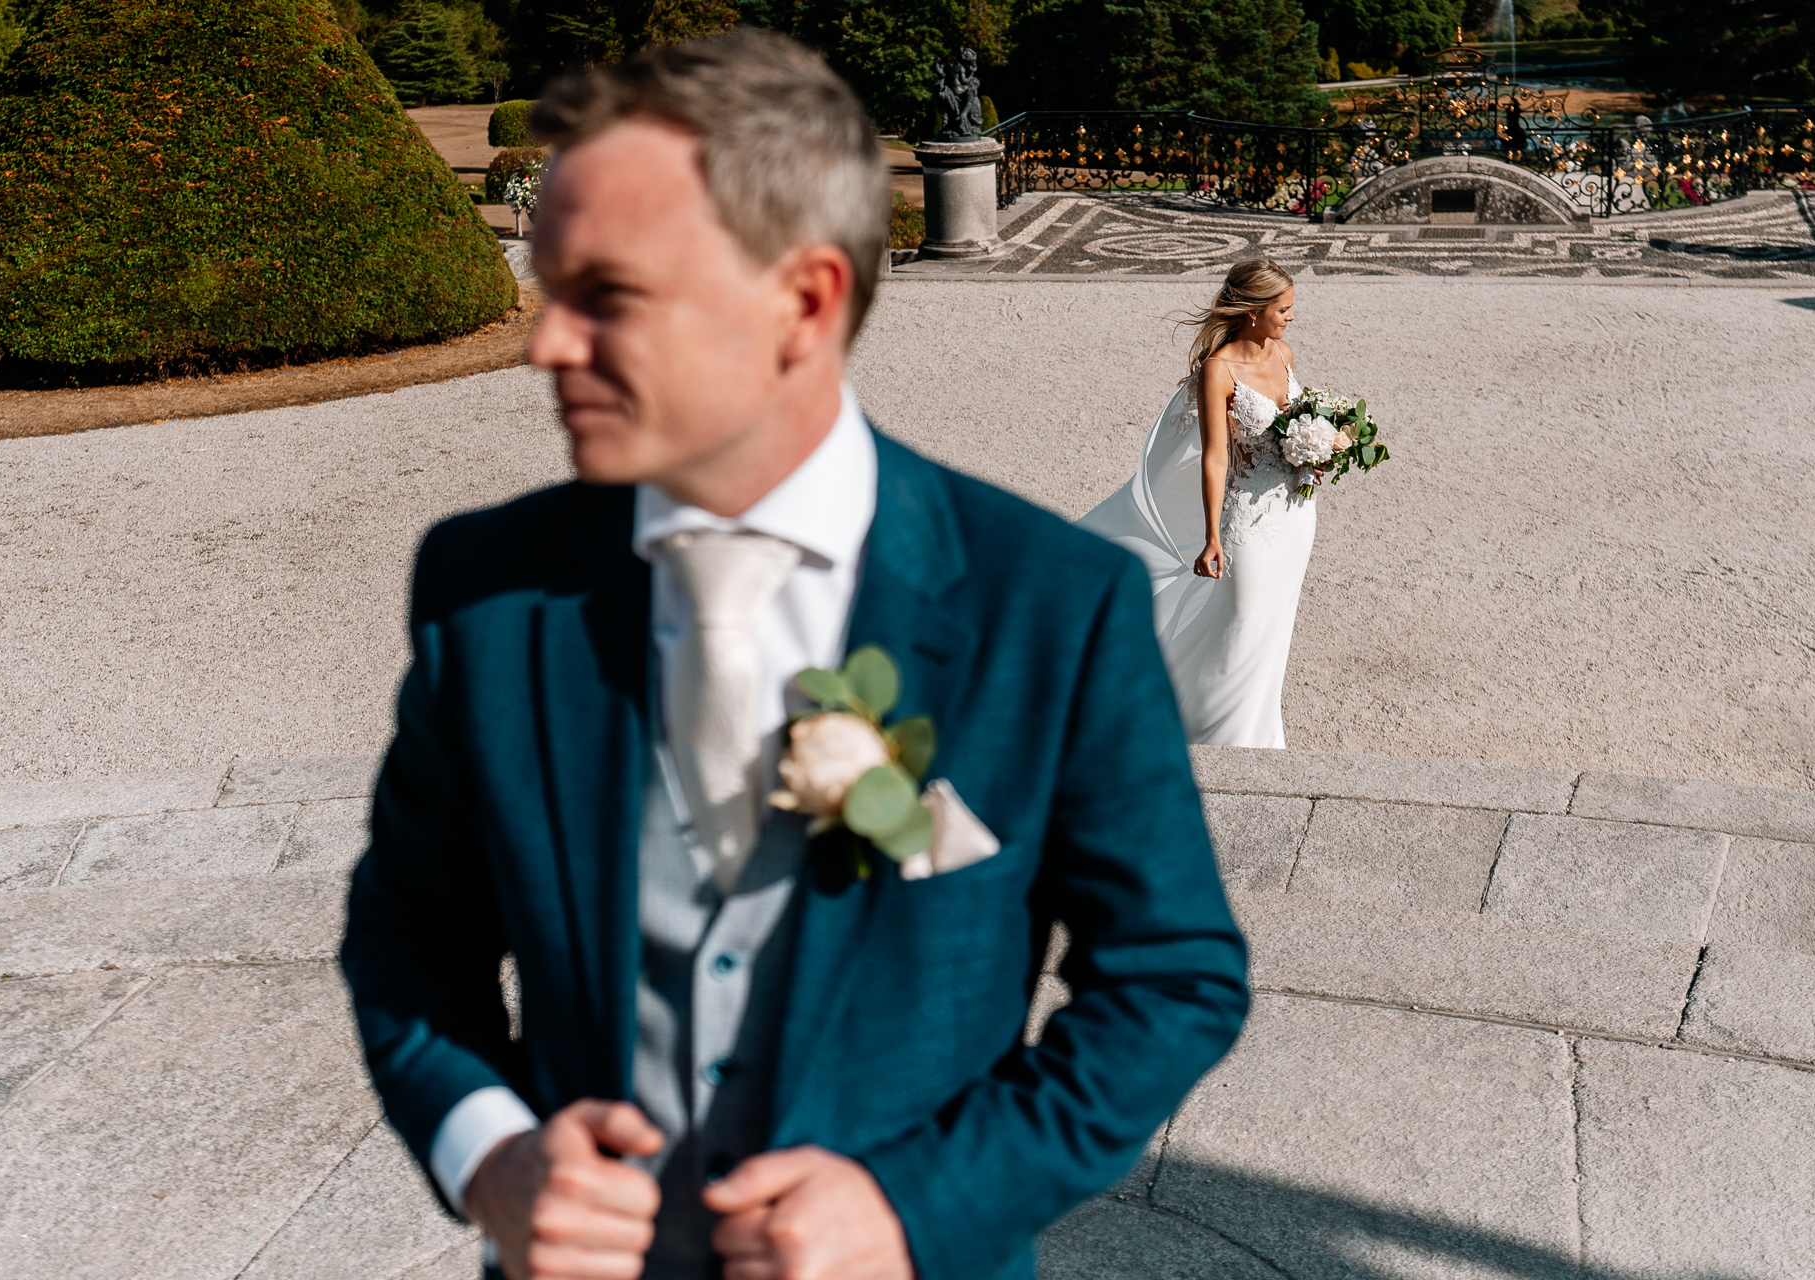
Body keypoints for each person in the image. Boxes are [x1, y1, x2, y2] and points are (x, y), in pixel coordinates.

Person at [339, 30, 1248, 1280]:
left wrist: (914, 1204)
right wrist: (490, 1150)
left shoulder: (1050, 604)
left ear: (805, 302)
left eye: (608, 296)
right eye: (549, 289)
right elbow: (406, 934)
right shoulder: (487, 591)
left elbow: (1172, 975)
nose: (546, 345)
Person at [1075, 260, 1314, 749]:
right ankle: (1206, 737)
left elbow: (1290, 426)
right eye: (1283, 309)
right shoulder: (1219, 370)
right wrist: (1211, 535)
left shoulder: (1284, 353)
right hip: (1247, 523)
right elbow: (1215, 456)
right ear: (1253, 311)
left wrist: (1317, 448)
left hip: (1295, 515)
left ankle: (1261, 734)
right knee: (1241, 621)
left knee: (1272, 627)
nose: (1291, 318)